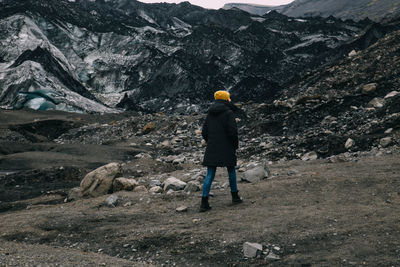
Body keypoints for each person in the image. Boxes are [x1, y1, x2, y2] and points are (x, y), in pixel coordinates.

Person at [200, 90, 243, 212]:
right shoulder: (229, 113)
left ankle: (204, 202)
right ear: (225, 99)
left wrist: (211, 141)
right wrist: (234, 145)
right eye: (229, 98)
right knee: (231, 171)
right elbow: (232, 132)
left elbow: (204, 132)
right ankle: (235, 197)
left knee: (210, 174)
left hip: (212, 147)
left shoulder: (210, 113)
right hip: (227, 147)